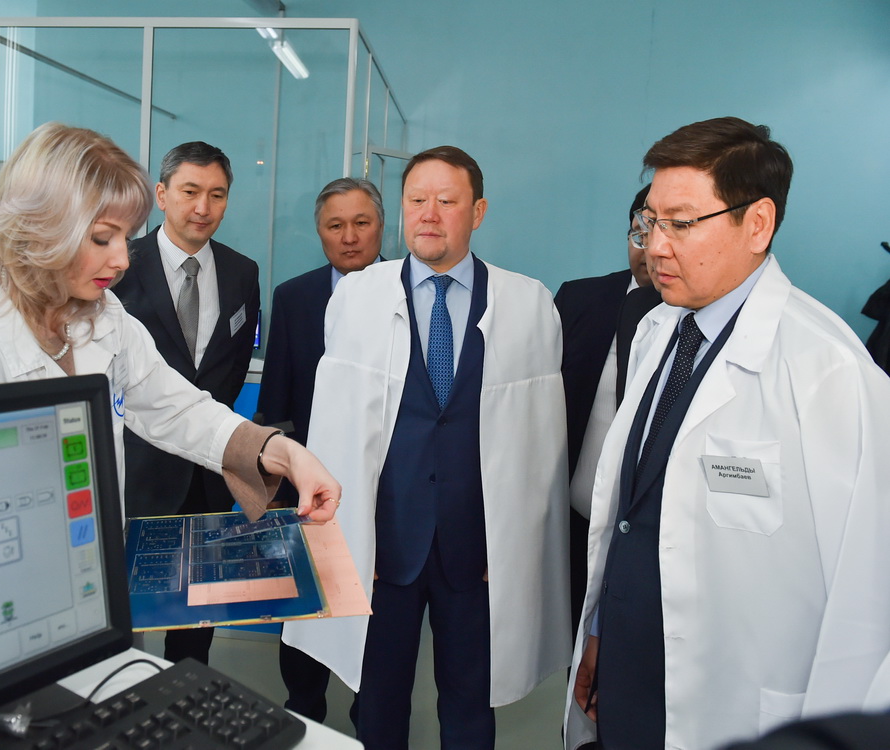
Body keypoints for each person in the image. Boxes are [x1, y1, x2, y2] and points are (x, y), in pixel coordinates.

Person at [565, 117, 890, 750]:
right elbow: (631, 516)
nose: (656, 247)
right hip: (629, 672)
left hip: (740, 700)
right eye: (650, 222)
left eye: (681, 224)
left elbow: (870, 594)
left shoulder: (830, 374)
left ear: (758, 224)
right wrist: (601, 629)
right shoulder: (660, 330)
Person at [0, 123, 339, 534]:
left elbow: (174, 406)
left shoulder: (105, 316)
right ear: (41, 229)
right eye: (102, 238)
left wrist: (279, 451)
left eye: (125, 237)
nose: (121, 260)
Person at [283, 146, 571, 749]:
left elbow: (540, 445)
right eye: (417, 200)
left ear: (478, 212)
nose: (429, 214)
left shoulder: (528, 303)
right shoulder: (357, 298)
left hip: (478, 549)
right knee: (379, 698)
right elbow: (335, 427)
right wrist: (350, 536)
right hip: (383, 545)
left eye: (446, 200)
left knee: (470, 702)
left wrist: (512, 541)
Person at [112, 141, 259, 665]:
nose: (203, 207)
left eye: (217, 195)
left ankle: (187, 688)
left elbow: (232, 366)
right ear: (161, 194)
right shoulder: (120, 264)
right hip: (138, 470)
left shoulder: (242, 272)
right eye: (190, 192)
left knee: (200, 609)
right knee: (129, 608)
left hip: (209, 472)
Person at [257, 177, 384, 721]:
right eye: (336, 225)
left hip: (384, 490)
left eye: (361, 223)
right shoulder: (295, 296)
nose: (349, 237)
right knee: (306, 609)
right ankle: (305, 714)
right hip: (305, 490)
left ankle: (371, 716)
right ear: (320, 232)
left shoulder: (408, 292)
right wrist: (278, 489)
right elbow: (276, 399)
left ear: (381, 227)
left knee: (376, 618)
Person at [555, 184, 659, 632]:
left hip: (653, 542)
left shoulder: (702, 319)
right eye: (640, 233)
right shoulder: (578, 301)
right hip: (574, 524)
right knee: (572, 646)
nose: (649, 248)